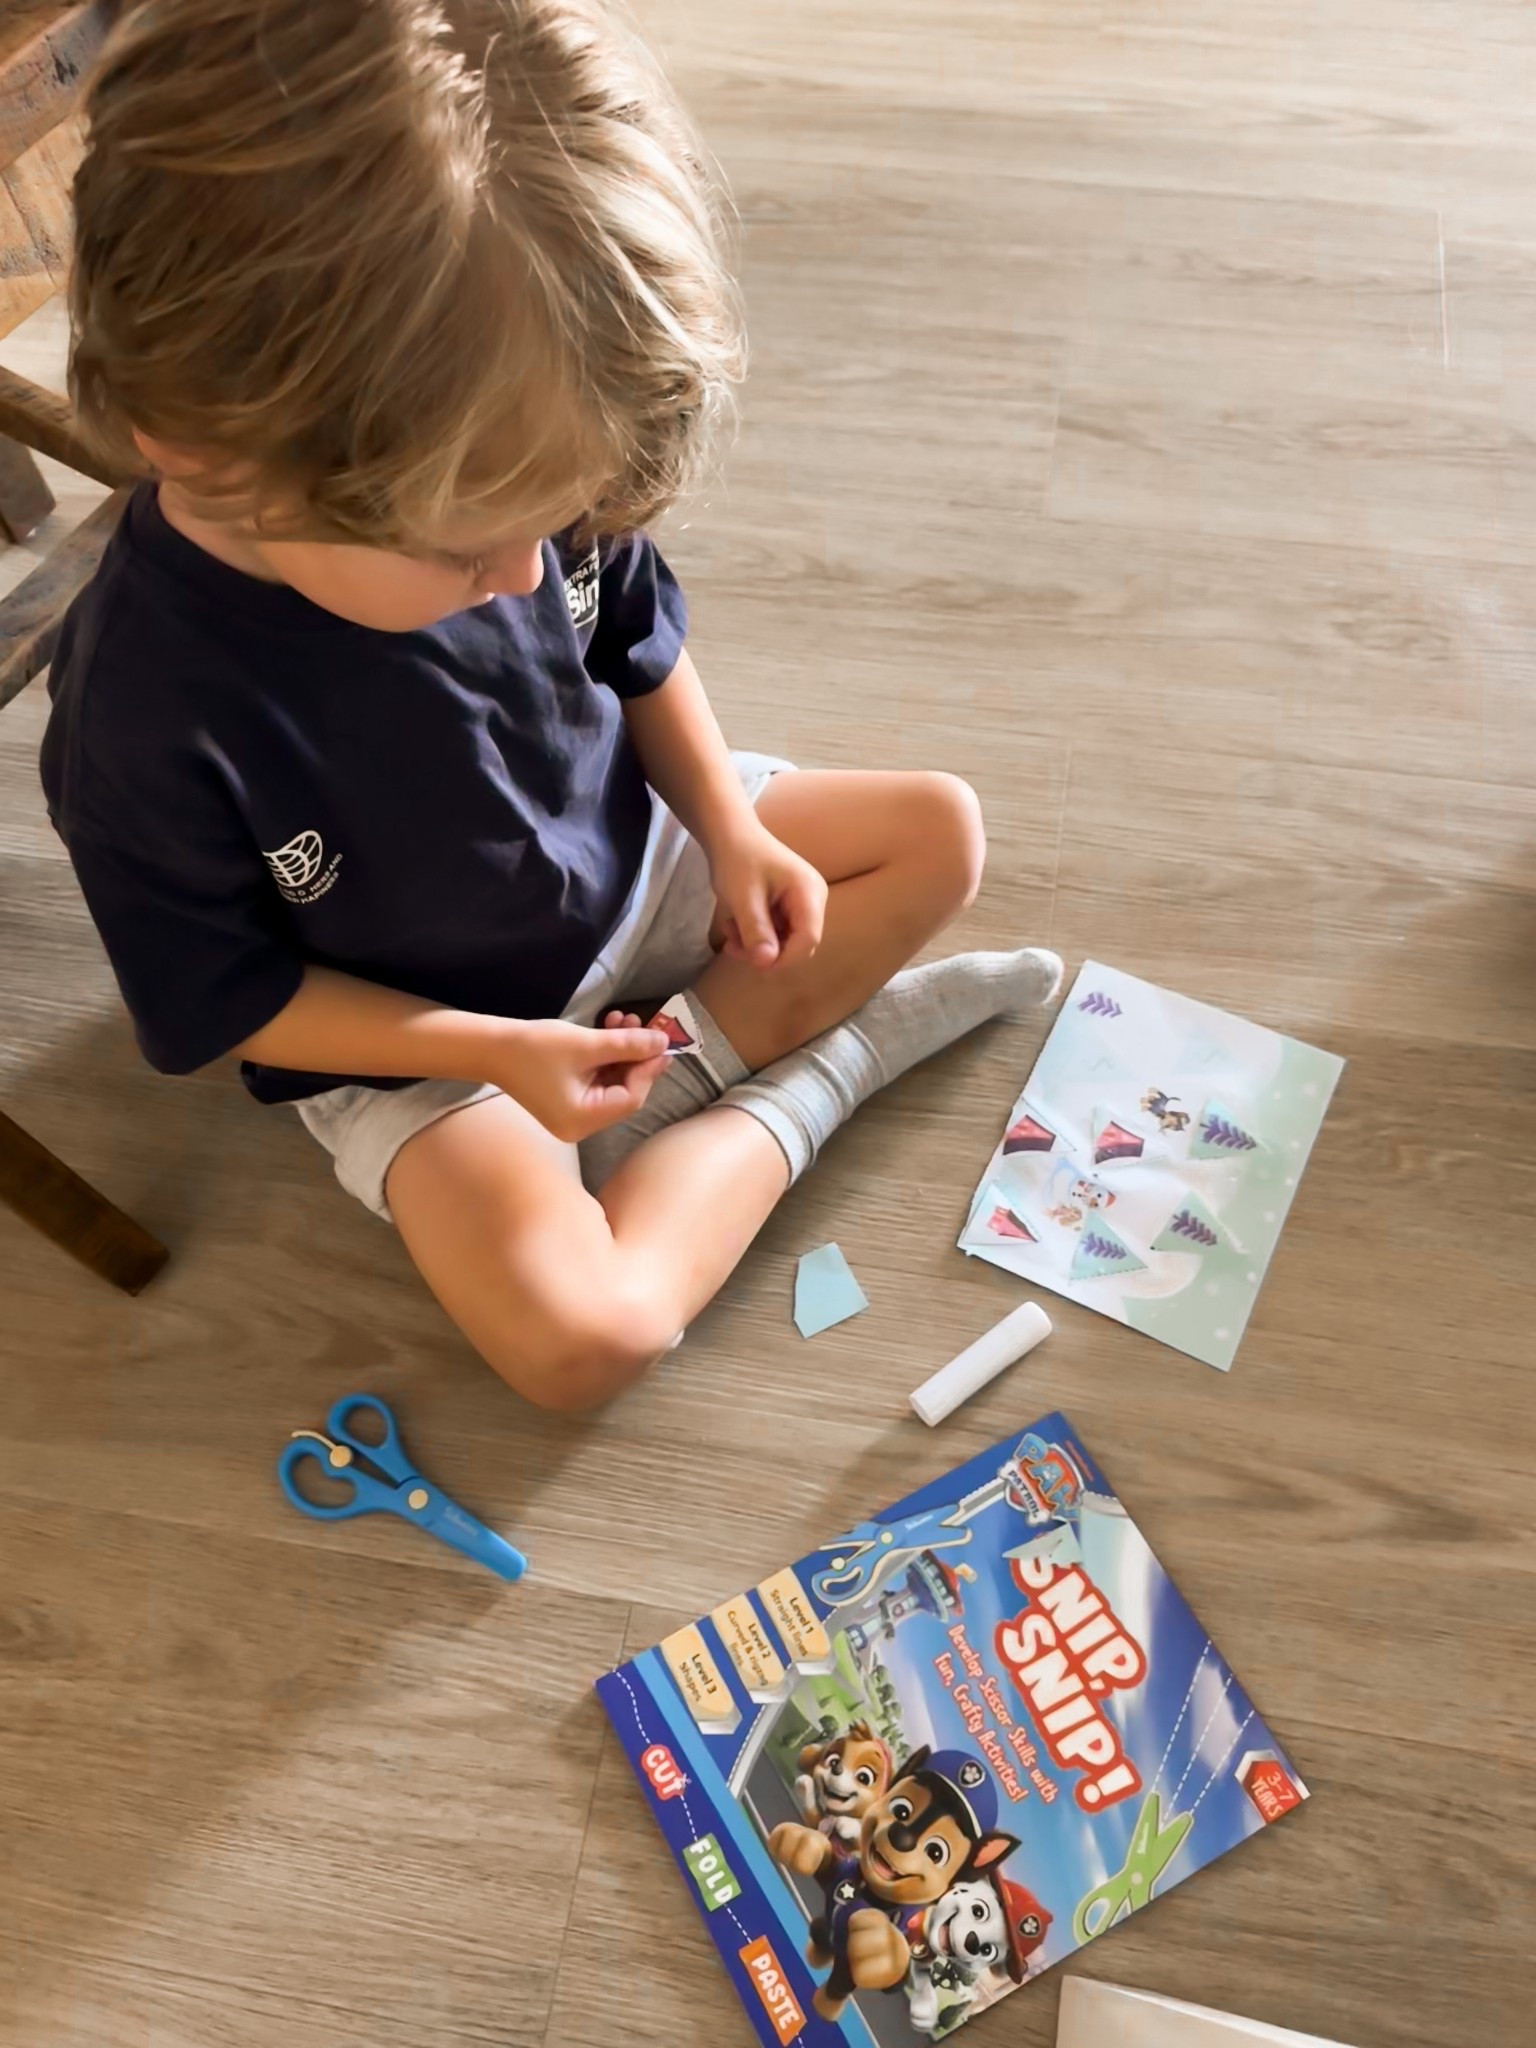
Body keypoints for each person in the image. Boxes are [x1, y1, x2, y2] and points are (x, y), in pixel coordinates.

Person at [42, 0, 1060, 1409]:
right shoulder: (142, 723)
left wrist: (731, 828)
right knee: (585, 1343)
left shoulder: (498, 445)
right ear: (207, 453)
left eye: (557, 523)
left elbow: (635, 647)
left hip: (630, 863)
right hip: (427, 1037)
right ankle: (820, 1073)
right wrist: (498, 1056)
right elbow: (234, 1004)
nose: (529, 570)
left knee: (939, 834)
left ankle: (678, 1080)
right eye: (468, 552)